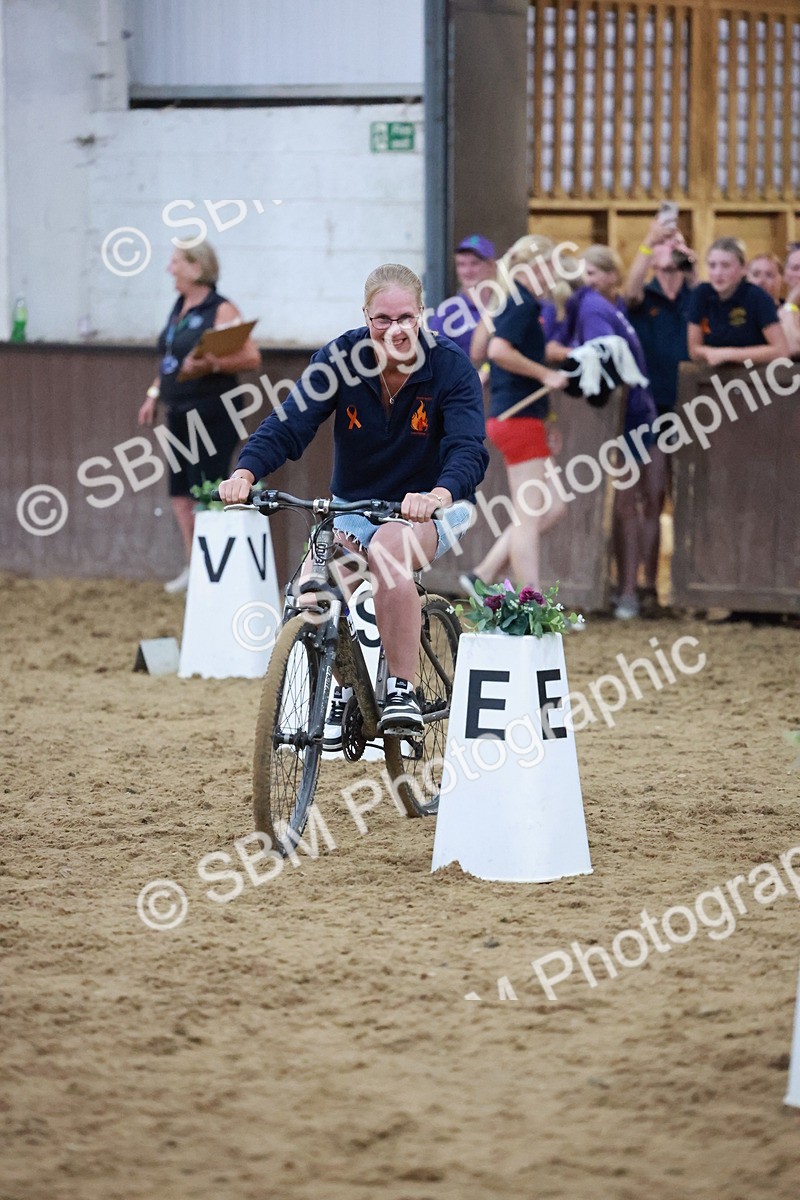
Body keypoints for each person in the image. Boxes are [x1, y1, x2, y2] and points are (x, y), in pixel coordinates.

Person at [218, 263, 488, 741]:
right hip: (354, 506)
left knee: (388, 552)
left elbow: (468, 449)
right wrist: (245, 472)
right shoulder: (339, 360)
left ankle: (402, 688)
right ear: (365, 316)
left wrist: (437, 495)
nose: (395, 329)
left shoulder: (450, 367)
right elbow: (290, 422)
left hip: (434, 505)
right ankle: (348, 689)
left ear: (422, 314)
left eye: (406, 317)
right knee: (313, 590)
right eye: (383, 318)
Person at [138, 241, 261, 593]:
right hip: (178, 411)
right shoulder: (180, 306)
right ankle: (194, 565)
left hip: (213, 413)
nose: (170, 268)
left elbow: (252, 357)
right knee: (180, 492)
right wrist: (153, 394)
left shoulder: (220, 309)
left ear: (197, 267)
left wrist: (211, 364)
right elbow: (170, 360)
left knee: (206, 489)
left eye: (176, 261)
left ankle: (213, 568)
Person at [549, 244, 658, 620]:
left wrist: (561, 358)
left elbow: (599, 357)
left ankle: (626, 591)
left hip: (626, 417)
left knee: (625, 504)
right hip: (628, 415)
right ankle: (617, 588)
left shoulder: (591, 308)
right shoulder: (592, 305)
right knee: (623, 503)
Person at [457, 235, 572, 593]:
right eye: (551, 265)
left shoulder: (512, 301)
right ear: (537, 266)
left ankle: (482, 573)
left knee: (553, 506)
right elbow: (497, 350)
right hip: (517, 419)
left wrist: (548, 418)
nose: (554, 274)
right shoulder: (520, 303)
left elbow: (483, 350)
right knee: (529, 516)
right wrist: (545, 374)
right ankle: (530, 601)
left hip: (522, 416)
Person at [624, 217, 697, 615]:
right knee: (650, 498)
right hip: (652, 409)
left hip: (698, 410)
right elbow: (629, 292)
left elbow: (707, 300)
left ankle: (693, 592)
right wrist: (649, 243)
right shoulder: (645, 295)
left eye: (678, 242)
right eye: (666, 243)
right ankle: (645, 587)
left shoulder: (693, 295)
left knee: (694, 499)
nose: (672, 247)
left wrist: (692, 263)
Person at [687, 237, 789, 367]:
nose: (718, 273)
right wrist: (710, 353)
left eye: (725, 266)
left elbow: (781, 351)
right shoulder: (701, 294)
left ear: (743, 268)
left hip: (756, 375)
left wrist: (728, 354)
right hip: (713, 376)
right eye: (712, 266)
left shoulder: (757, 297)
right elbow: (694, 350)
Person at [426, 234, 497, 366]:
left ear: (491, 265)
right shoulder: (449, 311)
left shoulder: (506, 305)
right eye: (461, 264)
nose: (467, 271)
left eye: (475, 263)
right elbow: (433, 359)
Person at [778, 244, 800, 357]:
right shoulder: (772, 309)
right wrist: (791, 304)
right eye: (795, 268)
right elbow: (789, 348)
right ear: (785, 274)